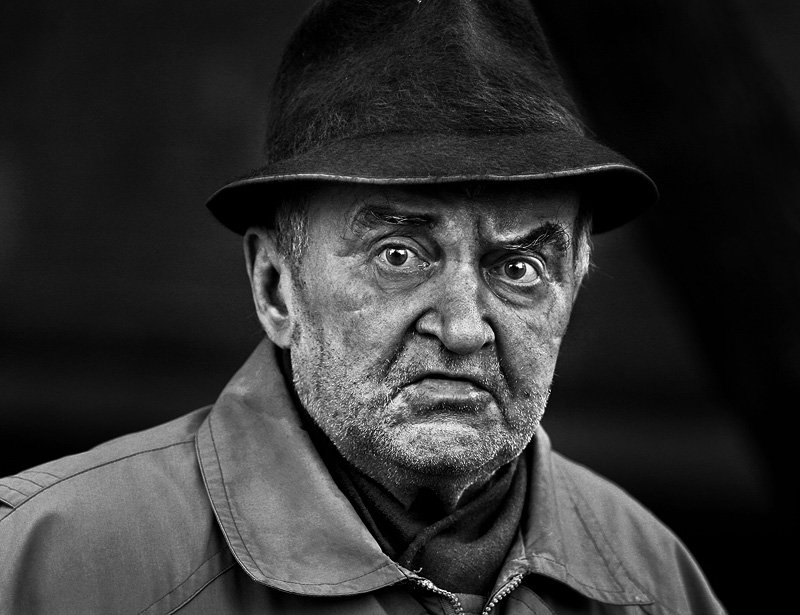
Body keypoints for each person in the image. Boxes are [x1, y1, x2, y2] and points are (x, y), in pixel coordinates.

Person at [0, 1, 727, 613]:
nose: (463, 328)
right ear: (275, 286)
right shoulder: (51, 559)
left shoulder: (653, 583)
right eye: (398, 256)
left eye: (520, 268)